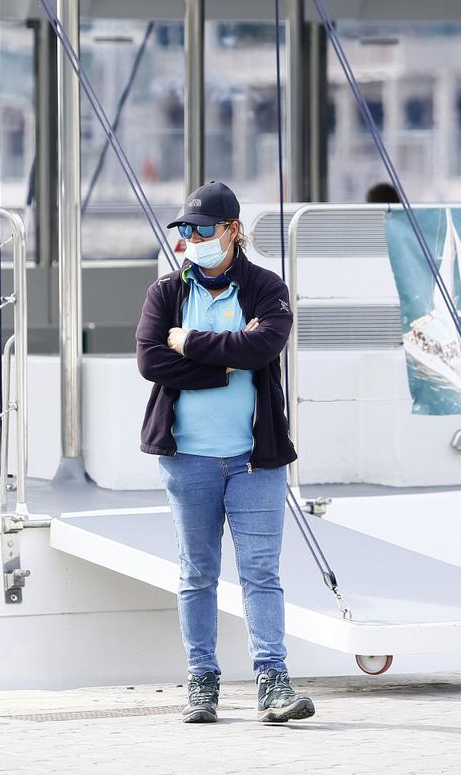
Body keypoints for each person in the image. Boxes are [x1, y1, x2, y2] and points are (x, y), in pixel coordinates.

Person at [134, 180, 314, 726]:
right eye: (184, 230)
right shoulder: (166, 292)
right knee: (197, 574)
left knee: (261, 572)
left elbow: (264, 346)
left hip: (255, 460)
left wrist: (187, 343)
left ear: (233, 231)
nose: (191, 239)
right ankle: (202, 682)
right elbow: (150, 362)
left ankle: (272, 682)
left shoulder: (266, 288)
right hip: (187, 458)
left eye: (202, 229)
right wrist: (227, 363)